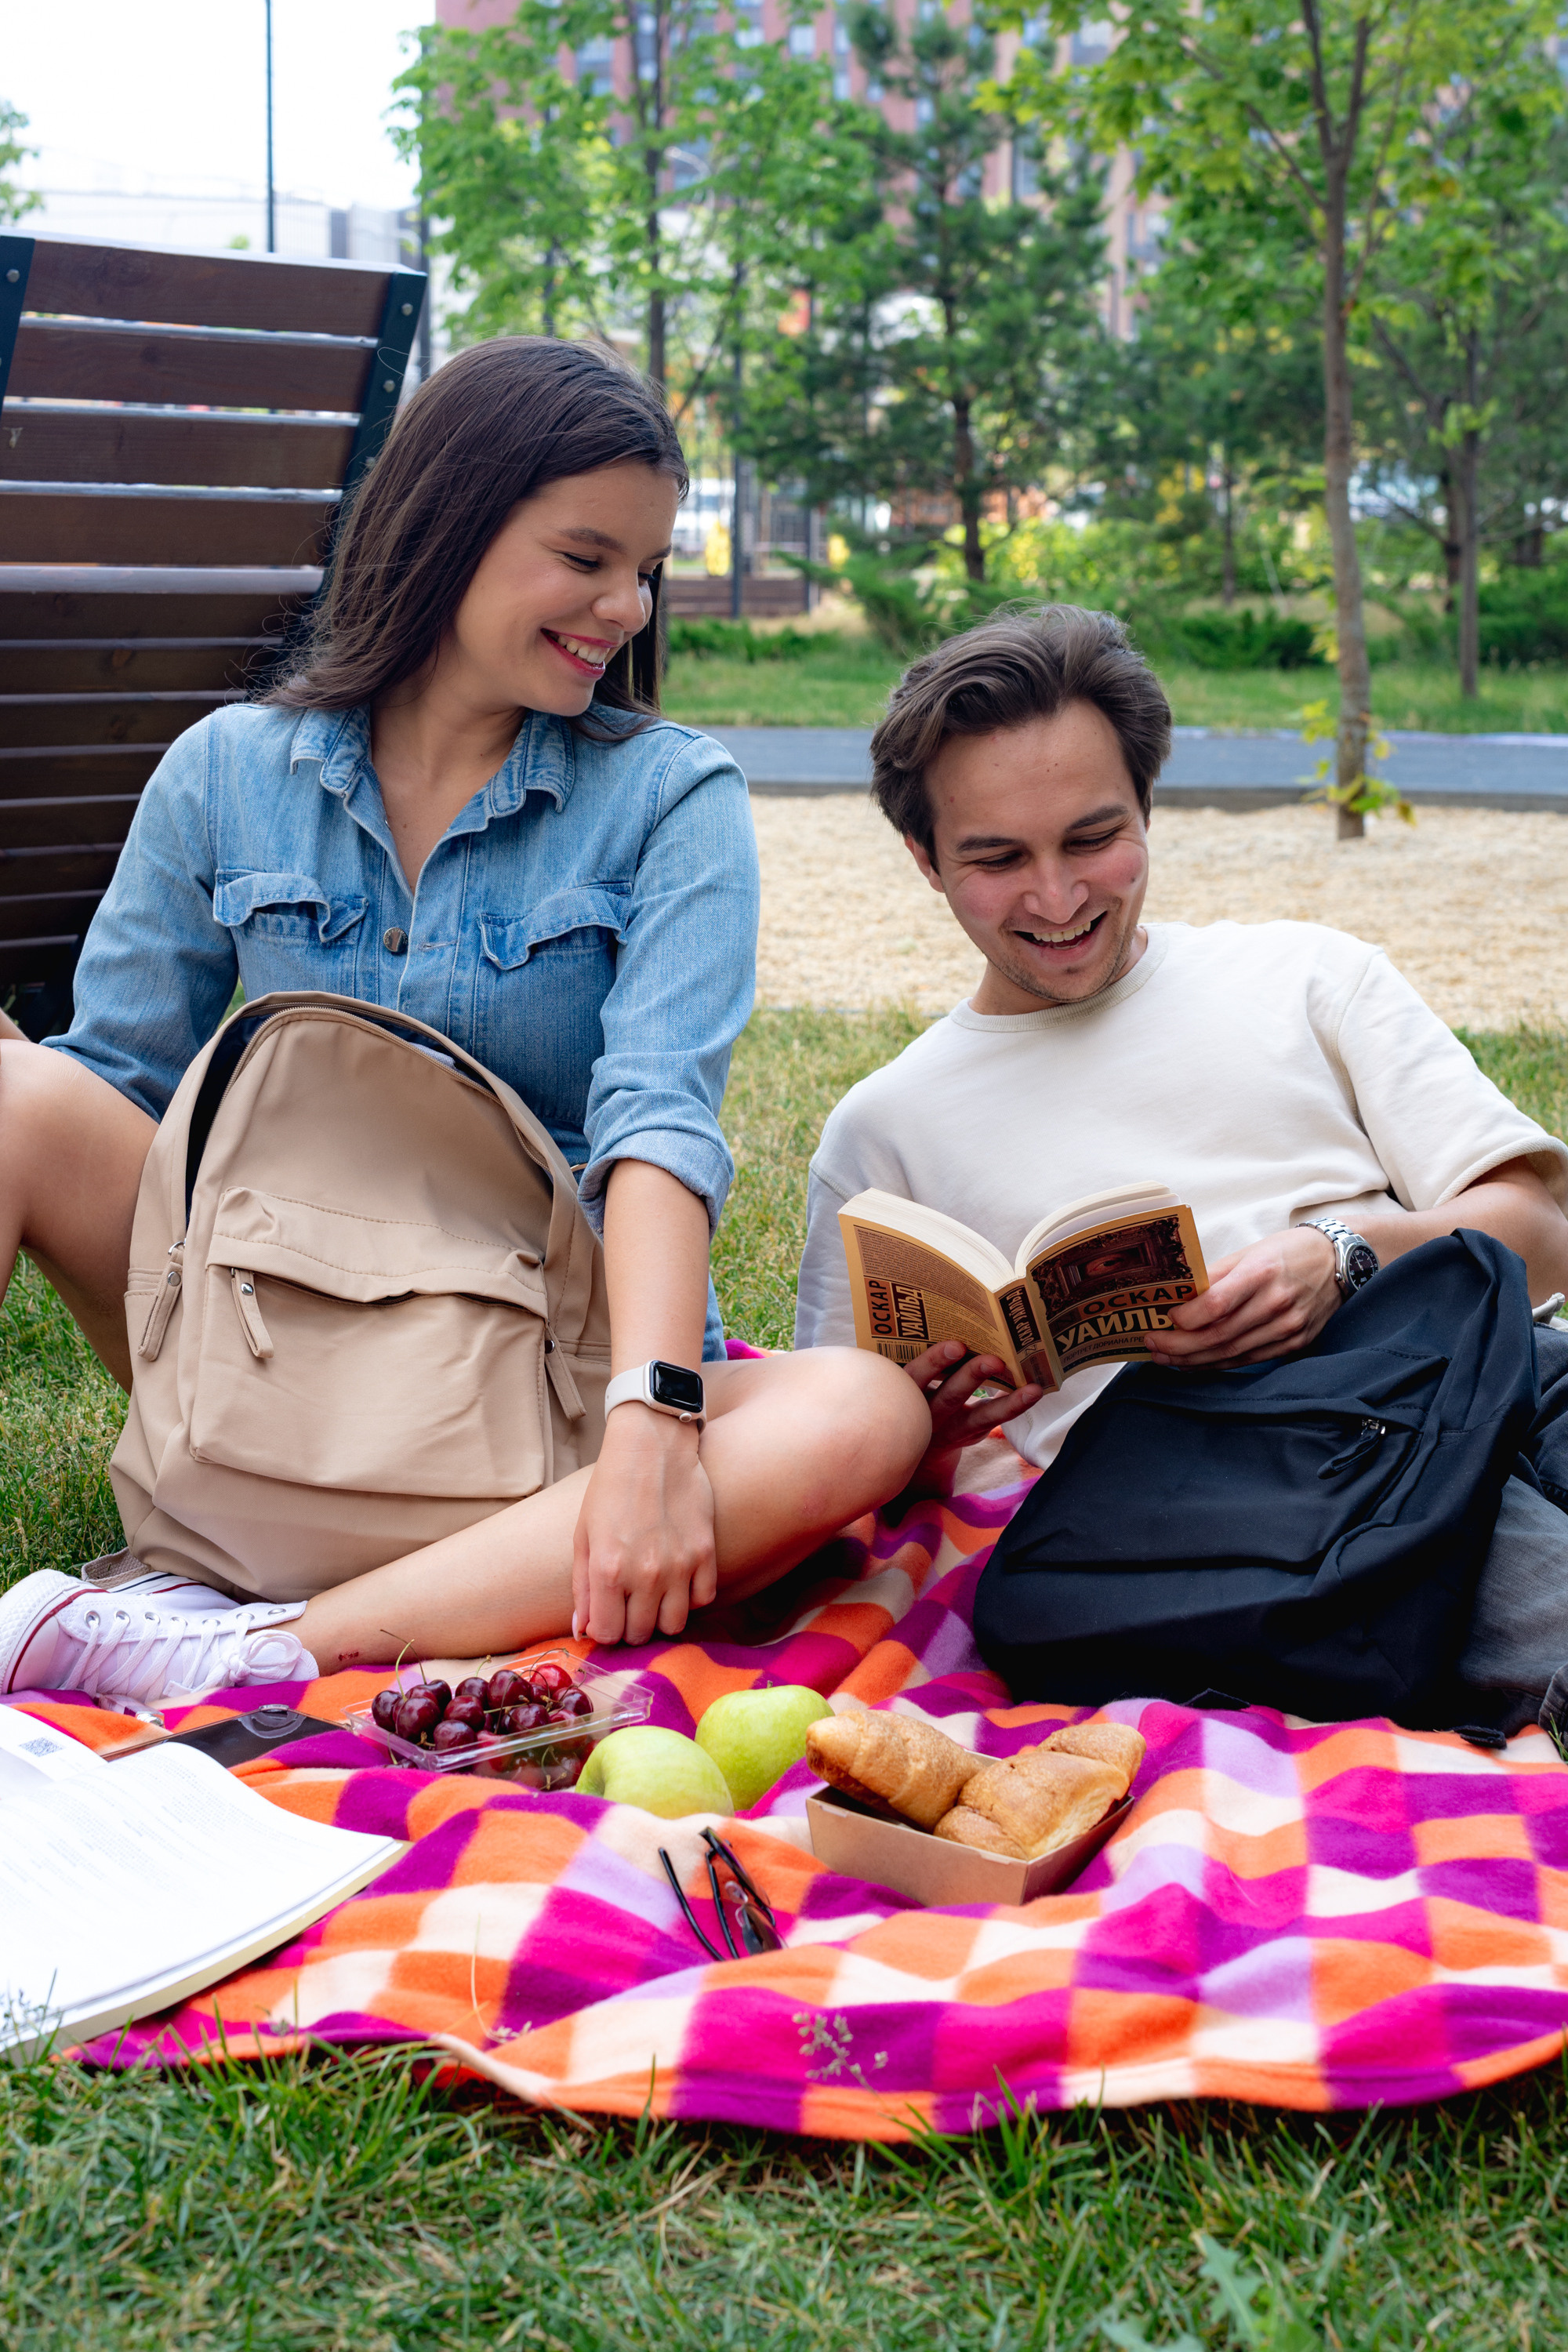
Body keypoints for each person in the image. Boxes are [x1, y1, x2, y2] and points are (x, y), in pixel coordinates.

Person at [0, 337, 927, 1705]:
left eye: (646, 570)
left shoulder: (673, 796)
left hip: (542, 1392)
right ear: (448, 523)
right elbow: (113, 1098)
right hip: (272, 1352)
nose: (626, 605)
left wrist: (660, 1421)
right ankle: (375, 1573)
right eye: (587, 556)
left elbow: (656, 1126)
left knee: (864, 1411)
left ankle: (256, 1645)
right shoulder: (225, 773)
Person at [794, 604, 1568, 1733]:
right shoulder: (884, 1132)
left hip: (1459, 1384)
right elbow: (839, 1481)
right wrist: (935, 1438)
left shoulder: (1309, 976)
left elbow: (1542, 1229)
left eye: (1093, 838)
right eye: (999, 860)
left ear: (1147, 809)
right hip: (1238, 1509)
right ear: (925, 862)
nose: (1058, 899)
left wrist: (1341, 1256)